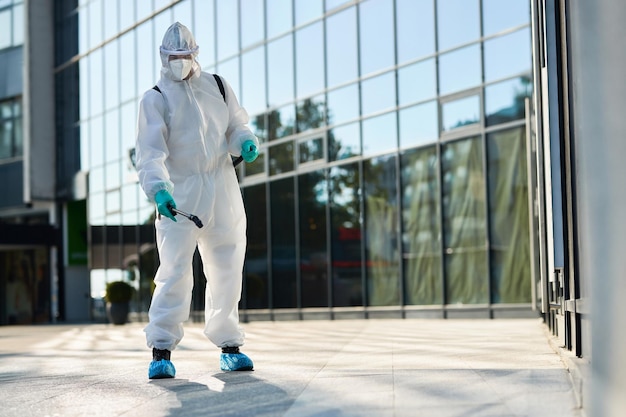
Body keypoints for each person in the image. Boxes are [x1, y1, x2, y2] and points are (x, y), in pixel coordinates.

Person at [135, 22, 259, 379]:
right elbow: (149, 151)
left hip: (221, 186)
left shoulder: (216, 86)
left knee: (227, 266)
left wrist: (244, 140)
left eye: (186, 56)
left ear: (195, 55)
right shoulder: (156, 98)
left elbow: (236, 124)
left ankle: (229, 344)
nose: (181, 62)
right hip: (180, 194)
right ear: (164, 58)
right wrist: (158, 188)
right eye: (175, 57)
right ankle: (161, 349)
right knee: (174, 271)